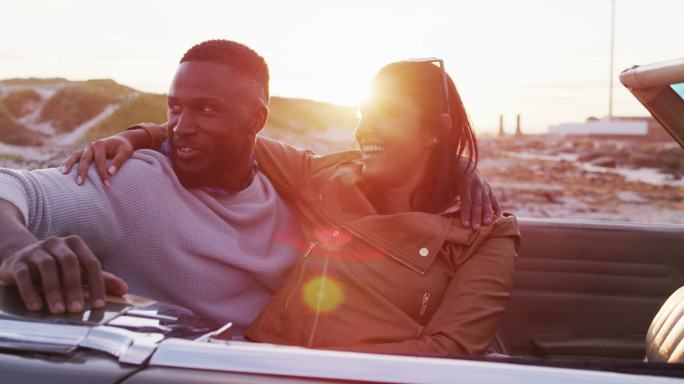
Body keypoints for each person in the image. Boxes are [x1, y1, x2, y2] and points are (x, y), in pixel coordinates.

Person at [0, 40, 498, 340]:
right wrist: (17, 247)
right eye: (174, 108)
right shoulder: (130, 183)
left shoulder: (296, 185)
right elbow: (11, 189)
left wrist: (457, 168)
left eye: (207, 110)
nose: (181, 126)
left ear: (256, 121)